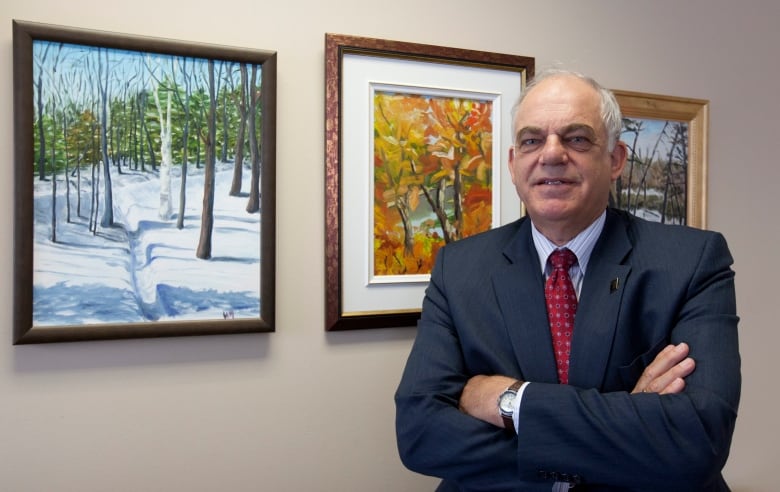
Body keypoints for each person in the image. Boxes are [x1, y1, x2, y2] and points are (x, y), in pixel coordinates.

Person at [394, 69, 740, 491]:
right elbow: (420, 434)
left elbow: (697, 439)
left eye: (577, 138)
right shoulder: (459, 268)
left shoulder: (692, 261)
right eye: (532, 140)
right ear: (512, 162)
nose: (552, 154)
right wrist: (626, 421)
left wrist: (511, 402)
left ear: (615, 160)